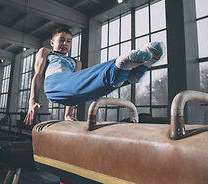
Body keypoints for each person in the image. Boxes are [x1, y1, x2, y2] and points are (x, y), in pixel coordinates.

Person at [24, 27, 164, 125]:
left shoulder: (76, 62)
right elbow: (38, 75)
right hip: (54, 84)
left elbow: (78, 88)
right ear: (52, 42)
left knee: (92, 88)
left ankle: (130, 73)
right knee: (83, 81)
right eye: (61, 40)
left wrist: (68, 115)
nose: (65, 44)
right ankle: (121, 65)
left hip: (71, 88)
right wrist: (32, 100)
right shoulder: (47, 52)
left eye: (68, 41)